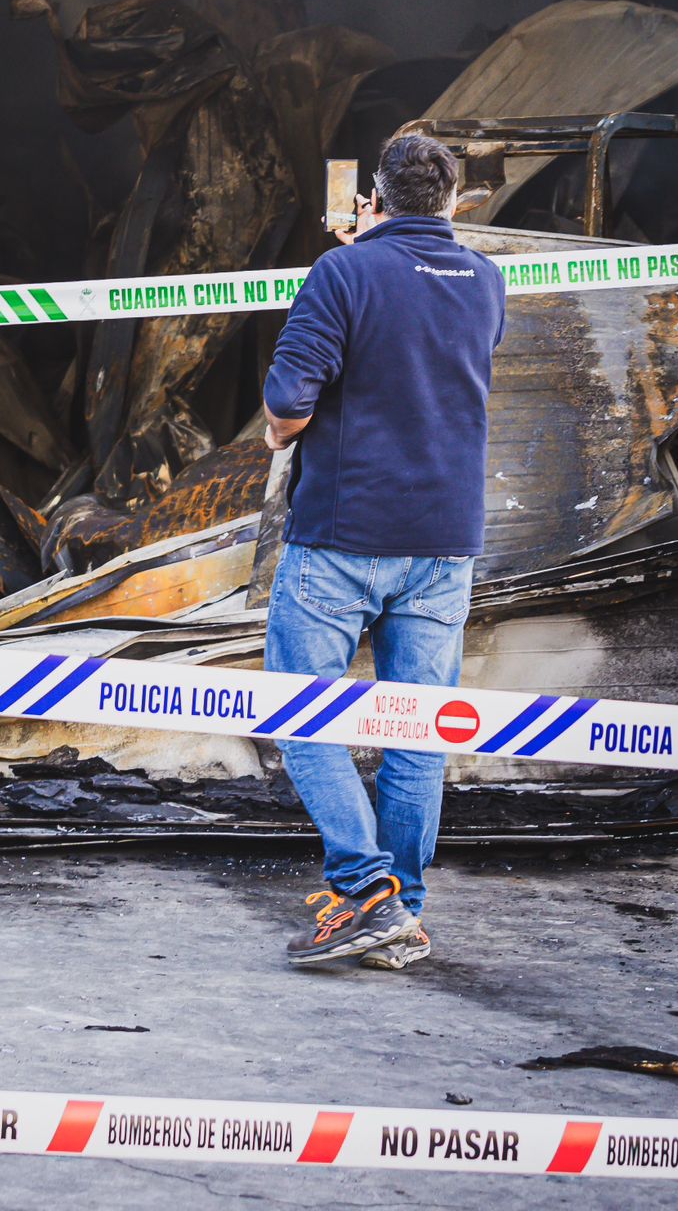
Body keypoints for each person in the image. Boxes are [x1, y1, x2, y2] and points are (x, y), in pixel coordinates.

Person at [261, 131, 506, 969]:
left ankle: (368, 894)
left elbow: (289, 402)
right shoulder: (486, 280)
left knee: (304, 720)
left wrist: (275, 430)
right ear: (453, 199)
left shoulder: (344, 273)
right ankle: (403, 909)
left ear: (375, 195)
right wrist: (372, 256)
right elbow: (424, 347)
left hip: (343, 537)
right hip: (444, 544)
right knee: (415, 732)